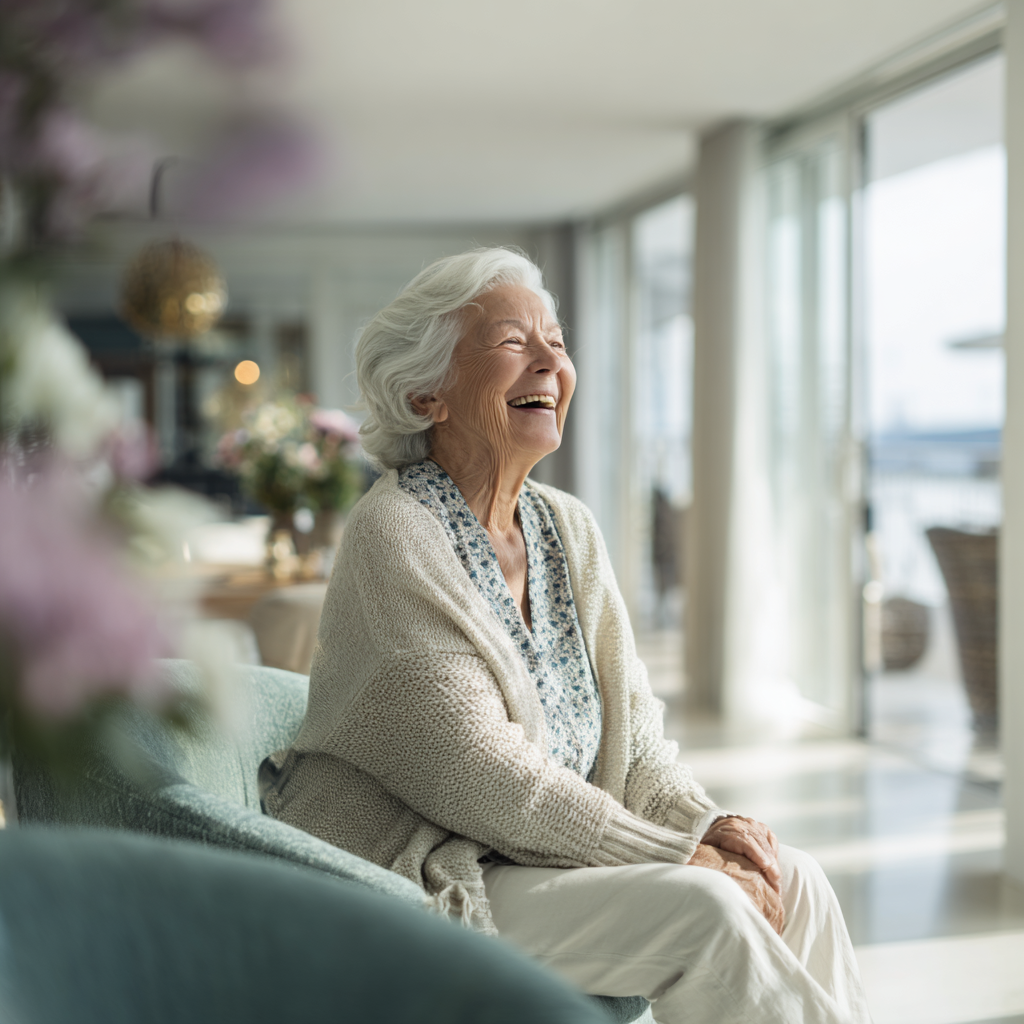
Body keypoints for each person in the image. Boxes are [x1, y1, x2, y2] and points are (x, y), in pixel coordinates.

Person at [260, 248, 871, 1024]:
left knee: (795, 878)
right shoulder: (394, 531)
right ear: (426, 393)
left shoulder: (566, 526)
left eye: (556, 339)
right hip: (425, 868)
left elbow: (637, 739)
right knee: (707, 911)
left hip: (534, 856)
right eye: (515, 342)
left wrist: (710, 827)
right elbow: (479, 773)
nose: (553, 359)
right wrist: (681, 855)